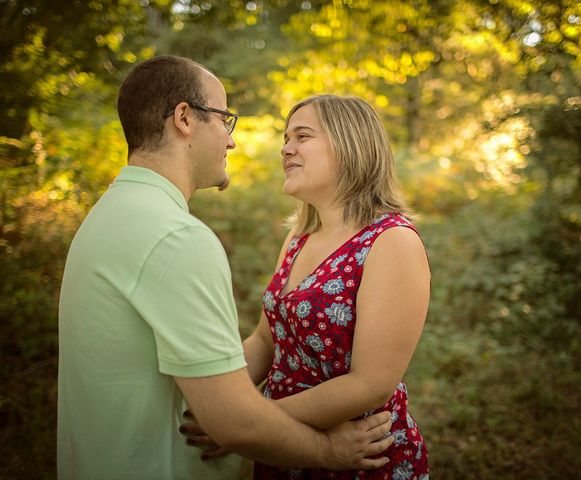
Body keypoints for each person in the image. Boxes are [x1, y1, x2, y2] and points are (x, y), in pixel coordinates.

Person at [57, 56, 394, 479]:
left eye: (301, 136)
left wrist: (259, 416)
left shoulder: (109, 214)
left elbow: (367, 379)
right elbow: (237, 416)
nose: (232, 141)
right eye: (224, 119)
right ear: (184, 118)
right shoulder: (176, 237)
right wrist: (324, 449)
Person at [183, 95, 431, 478]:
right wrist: (217, 395)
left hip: (361, 456)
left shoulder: (391, 242)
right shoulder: (300, 237)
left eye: (302, 136)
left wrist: (250, 423)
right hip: (286, 451)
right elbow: (266, 342)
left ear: (351, 145)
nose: (286, 149)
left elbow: (370, 385)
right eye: (286, 138)